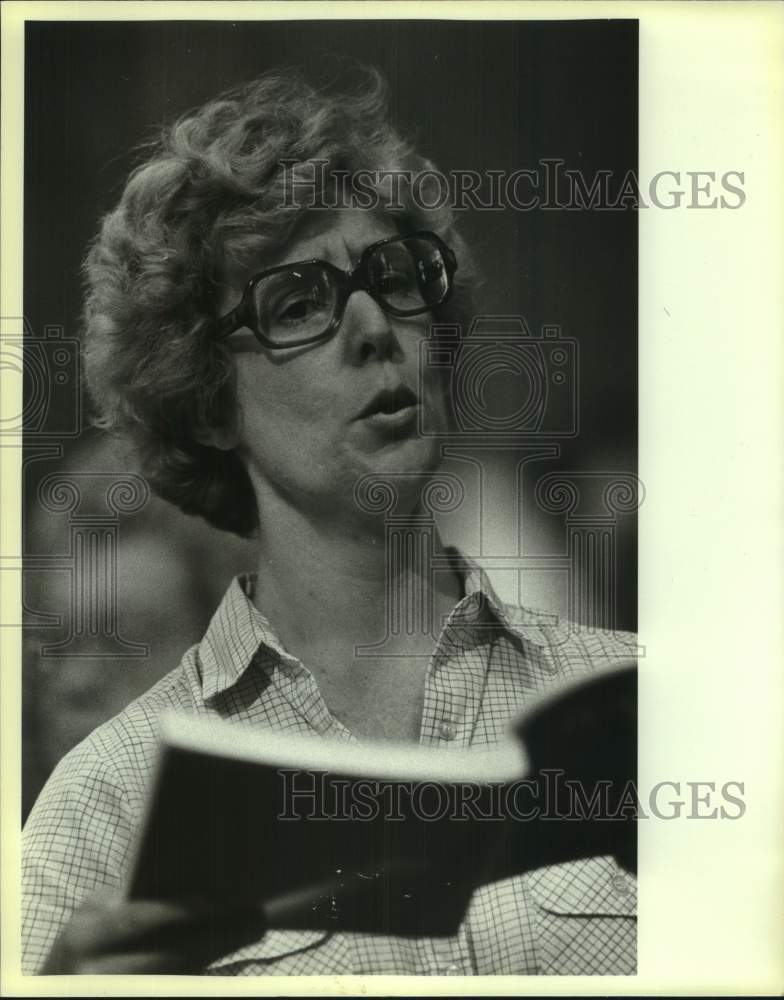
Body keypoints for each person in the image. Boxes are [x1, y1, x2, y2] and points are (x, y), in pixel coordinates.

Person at [22, 64, 637, 976]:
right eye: (298, 304)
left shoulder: (637, 706)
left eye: (395, 279)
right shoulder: (102, 802)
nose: (373, 325)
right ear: (210, 401)